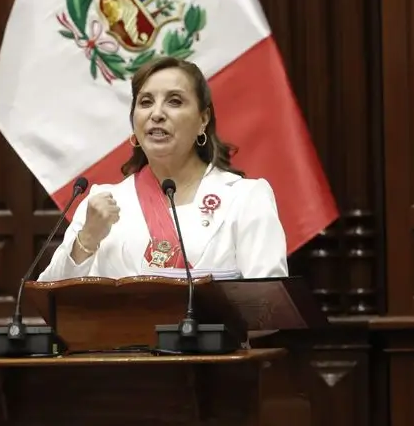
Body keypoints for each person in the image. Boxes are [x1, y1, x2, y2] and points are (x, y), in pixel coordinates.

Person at [37, 56, 288, 281]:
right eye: (146, 102)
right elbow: (53, 302)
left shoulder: (245, 198)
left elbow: (270, 307)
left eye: (174, 101)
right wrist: (88, 239)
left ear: (203, 119)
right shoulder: (101, 203)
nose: (156, 114)